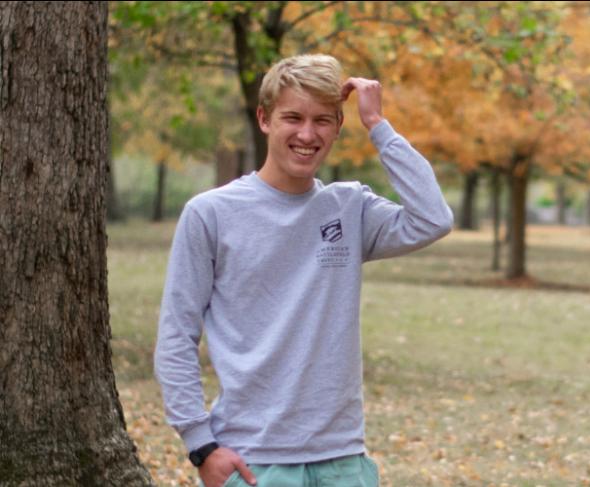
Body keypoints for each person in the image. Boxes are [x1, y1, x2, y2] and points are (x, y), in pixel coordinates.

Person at [154, 54, 454, 487]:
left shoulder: (350, 208)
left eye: (323, 121)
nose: (307, 134)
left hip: (342, 459)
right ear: (264, 118)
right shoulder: (211, 213)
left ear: (337, 127)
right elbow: (176, 334)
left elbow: (433, 219)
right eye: (292, 117)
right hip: (253, 461)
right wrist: (200, 444)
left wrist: (379, 126)